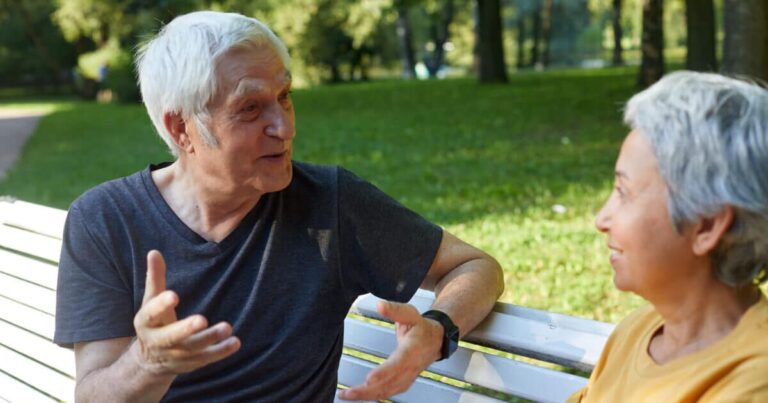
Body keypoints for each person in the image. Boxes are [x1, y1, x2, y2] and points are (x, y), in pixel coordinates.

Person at [53, 11, 504, 403]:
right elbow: (93, 394)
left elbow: (476, 266)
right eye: (250, 108)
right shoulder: (105, 221)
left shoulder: (330, 203)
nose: (284, 127)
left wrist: (436, 330)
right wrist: (150, 362)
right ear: (182, 128)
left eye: (284, 96)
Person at [569, 72, 768, 402]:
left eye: (623, 192)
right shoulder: (637, 331)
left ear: (706, 226)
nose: (601, 220)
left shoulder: (752, 381)